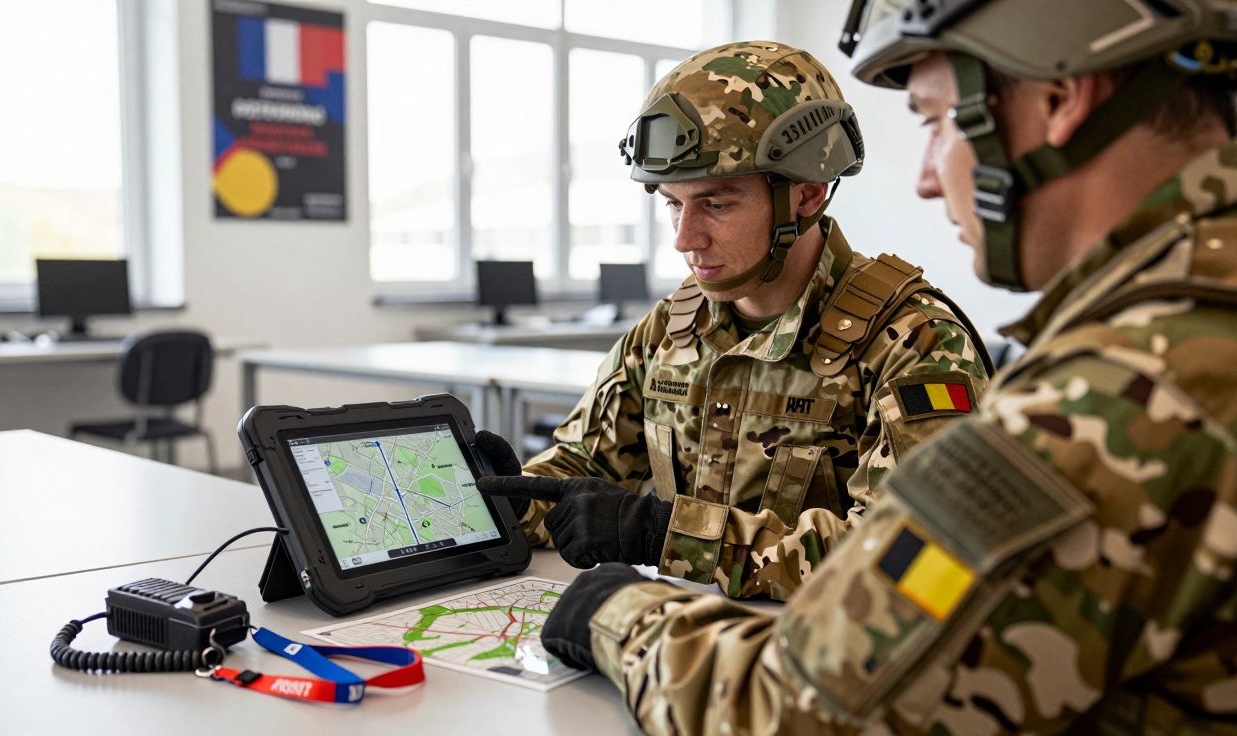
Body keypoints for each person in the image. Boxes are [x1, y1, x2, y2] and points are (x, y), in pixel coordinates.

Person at [524, 3, 1237, 734]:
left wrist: (619, 612)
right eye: (671, 205)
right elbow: (580, 465)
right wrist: (498, 497)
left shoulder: (1134, 381)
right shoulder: (1176, 328)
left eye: (935, 122)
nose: (926, 180)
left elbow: (818, 706)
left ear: (1059, 100)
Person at [477, 41, 991, 602]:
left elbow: (913, 561)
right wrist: (518, 500)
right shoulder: (668, 331)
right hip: (677, 639)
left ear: (808, 194)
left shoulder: (913, 342)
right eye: (673, 204)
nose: (684, 239)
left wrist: (665, 535)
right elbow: (584, 467)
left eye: (716, 205)